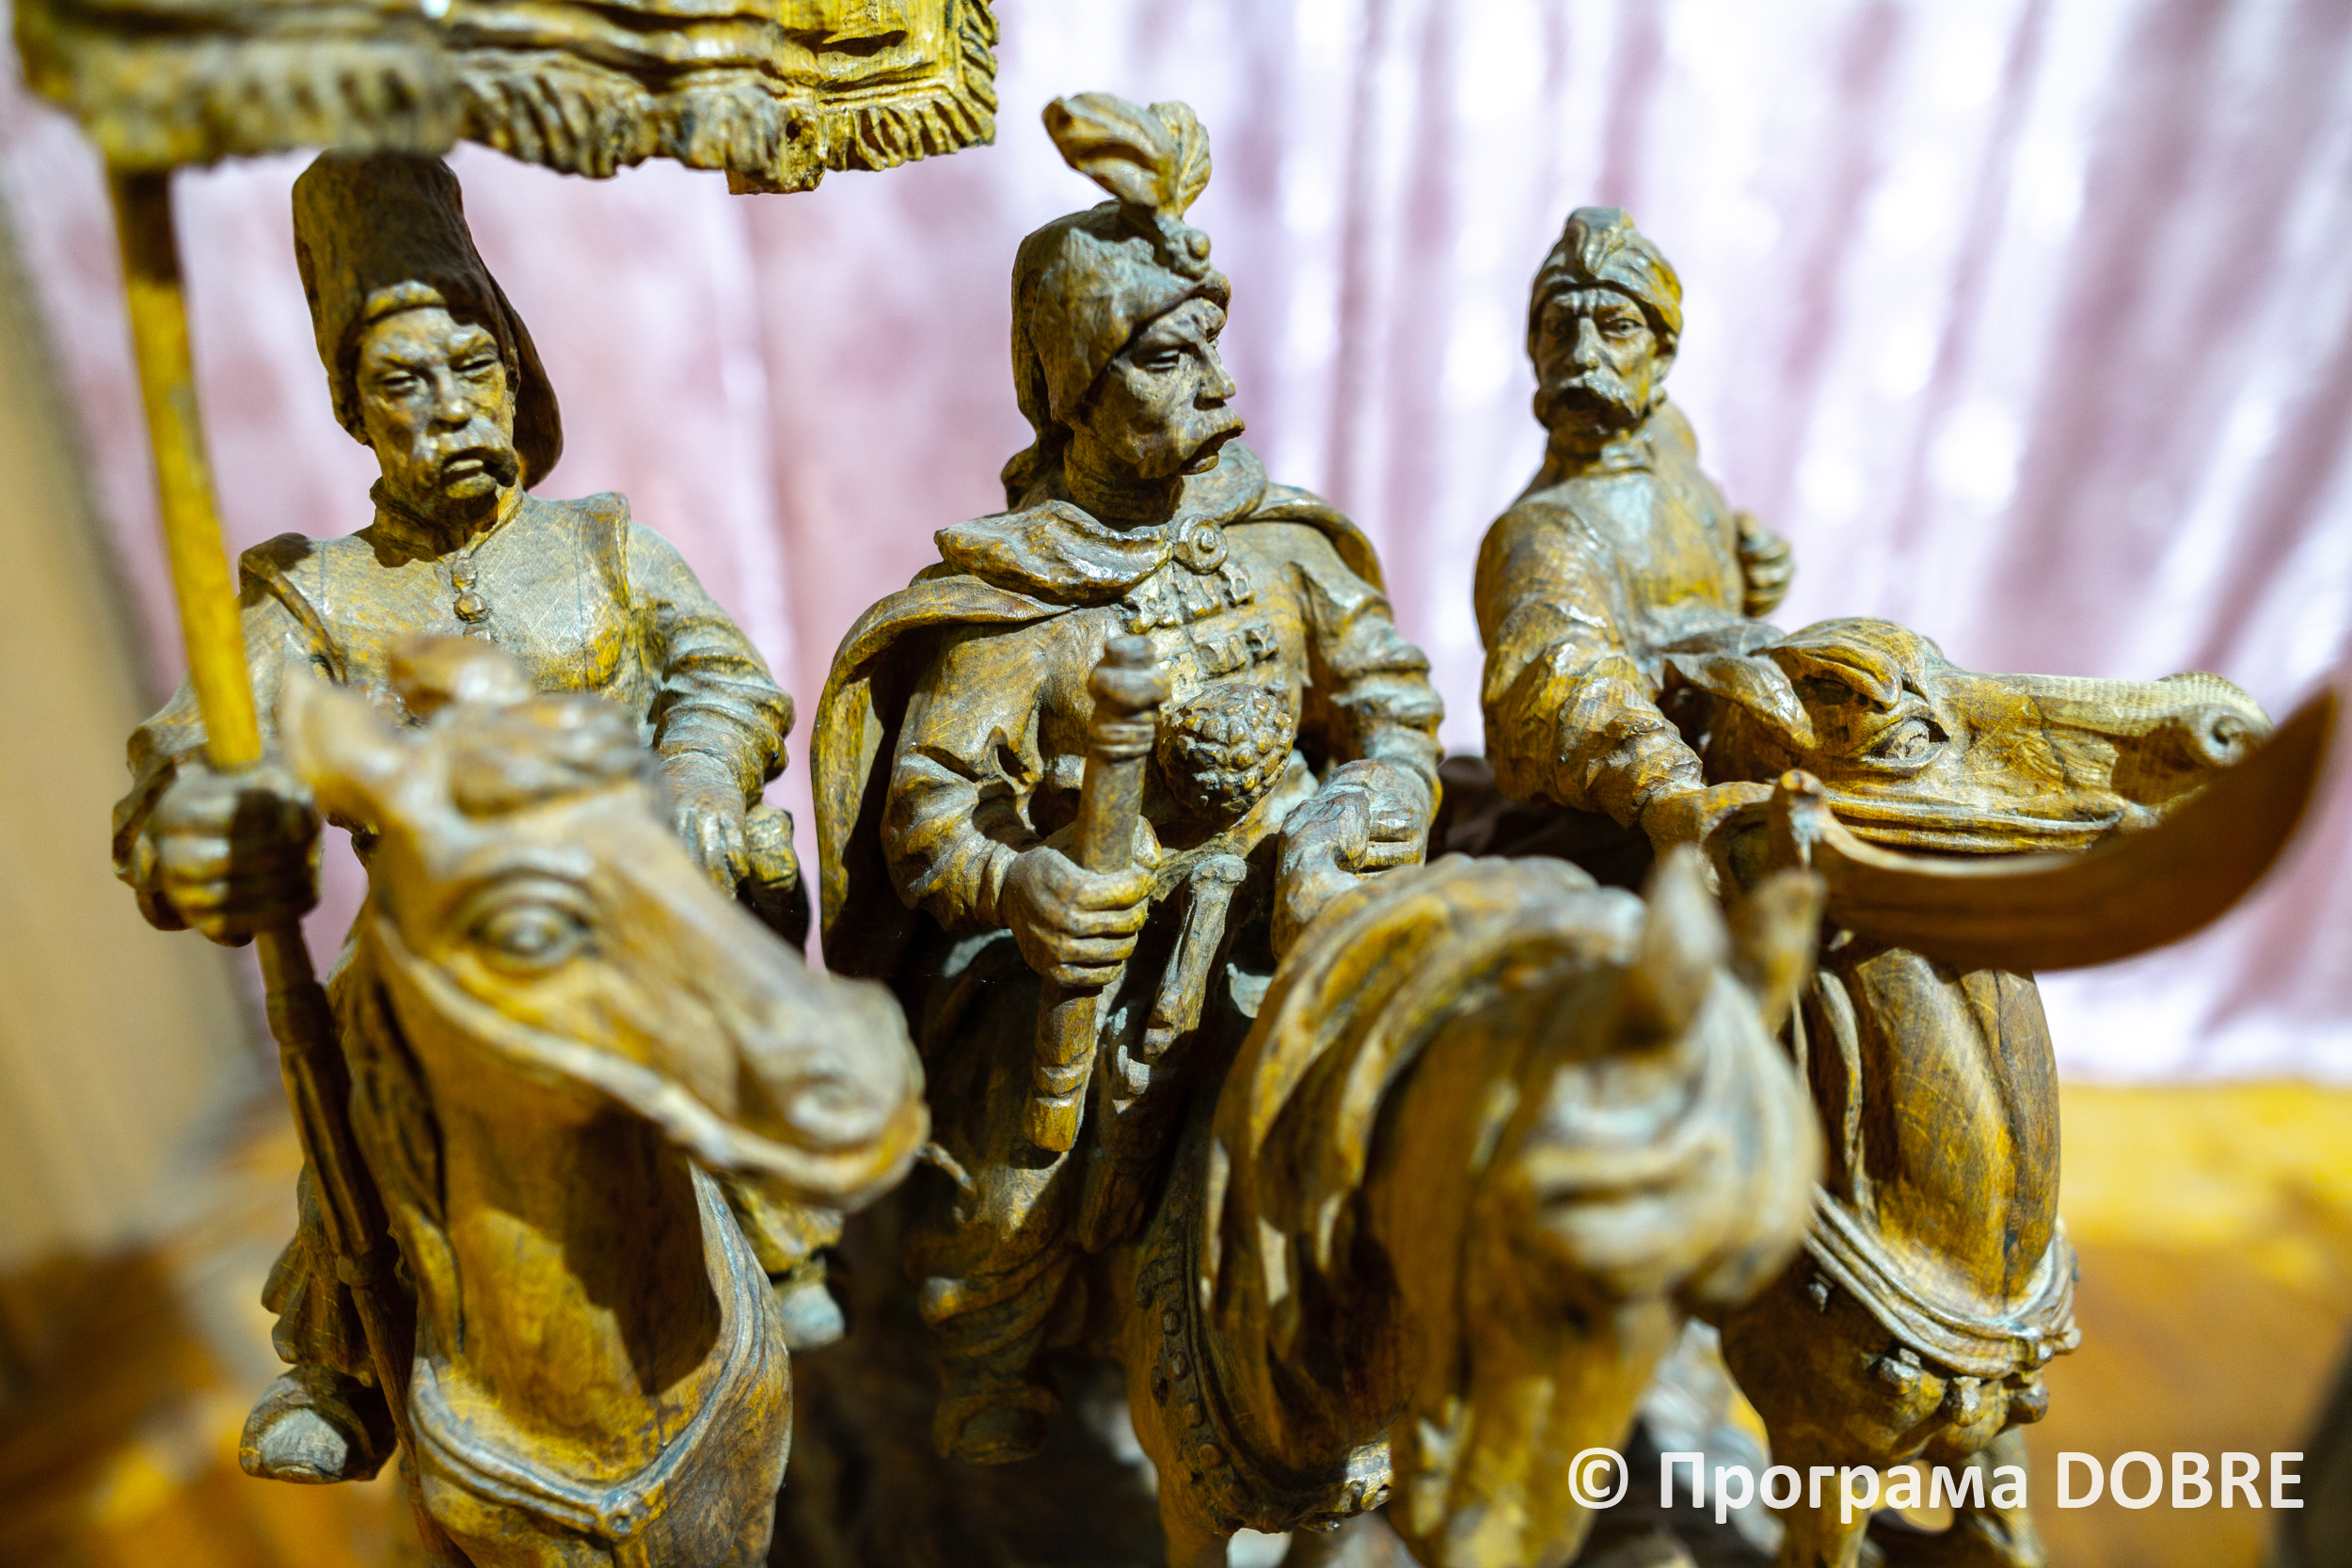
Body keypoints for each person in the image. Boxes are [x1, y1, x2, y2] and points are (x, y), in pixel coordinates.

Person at [112, 150, 829, 1483]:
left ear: (513, 369)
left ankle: (782, 1226)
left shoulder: (604, 543)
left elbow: (726, 678)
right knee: (368, 1023)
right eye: (402, 384)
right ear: (353, 409)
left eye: (473, 366)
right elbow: (186, 765)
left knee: (731, 949)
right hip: (450, 930)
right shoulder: (316, 598)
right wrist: (204, 826)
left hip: (643, 871)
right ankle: (343, 1349)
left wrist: (695, 779)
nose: (447, 407)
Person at [813, 92, 1444, 1465]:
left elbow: (1392, 710)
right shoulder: (1016, 601)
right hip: (1112, 937)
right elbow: (930, 809)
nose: (1214, 384)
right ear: (1076, 387)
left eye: (1211, 345)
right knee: (1022, 1165)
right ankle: (990, 1342)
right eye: (1164, 357)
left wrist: (1368, 801)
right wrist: (1022, 883)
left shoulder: (1285, 547)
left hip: (1312, 896)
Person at [1474, 206, 1797, 871]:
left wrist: (1746, 564)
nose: (1582, 356)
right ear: (1534, 349)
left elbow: (1670, 571)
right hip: (1630, 827)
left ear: (1662, 353)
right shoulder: (1541, 533)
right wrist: (1673, 794)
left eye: (1616, 326)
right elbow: (1563, 691)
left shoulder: (1669, 436)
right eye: (1560, 329)